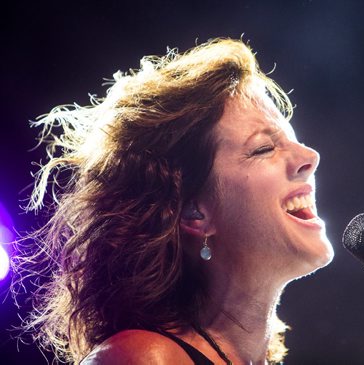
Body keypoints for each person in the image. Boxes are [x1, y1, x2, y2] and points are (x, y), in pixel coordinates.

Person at [14, 38, 334, 364]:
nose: (310, 156)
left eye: (295, 141)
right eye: (264, 148)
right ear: (195, 212)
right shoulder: (143, 358)